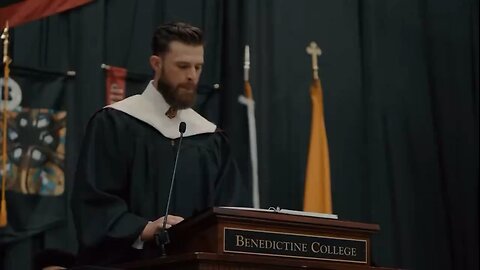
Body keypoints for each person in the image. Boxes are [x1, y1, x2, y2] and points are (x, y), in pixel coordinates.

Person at [71, 22, 250, 266]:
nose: (192, 76)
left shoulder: (209, 138)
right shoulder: (116, 122)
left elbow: (230, 214)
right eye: (183, 66)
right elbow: (94, 202)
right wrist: (144, 229)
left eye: (198, 67)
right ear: (156, 64)